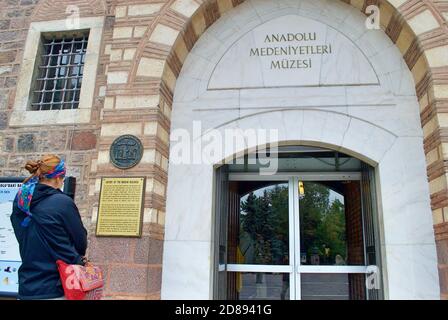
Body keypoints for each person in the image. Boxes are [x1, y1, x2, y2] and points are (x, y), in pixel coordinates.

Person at [10, 155, 87, 300]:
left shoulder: (21, 199)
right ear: (58, 178)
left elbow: (21, 233)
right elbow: (81, 243)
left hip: (27, 285)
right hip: (56, 286)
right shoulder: (63, 202)